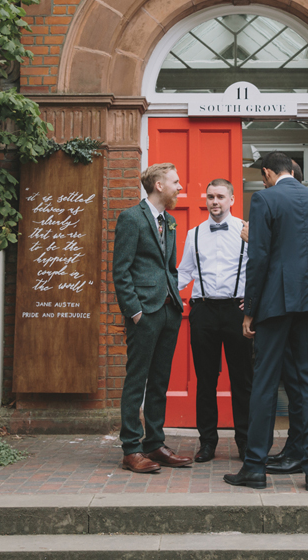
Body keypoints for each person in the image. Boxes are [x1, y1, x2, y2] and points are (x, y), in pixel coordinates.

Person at [225, 151, 308, 492]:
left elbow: (258, 259)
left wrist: (249, 310)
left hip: (275, 301)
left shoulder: (265, 199)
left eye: (264, 177)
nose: (264, 182)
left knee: (265, 381)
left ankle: (255, 467)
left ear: (269, 173)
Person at [112, 163, 194, 474]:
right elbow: (121, 270)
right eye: (175, 182)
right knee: (137, 381)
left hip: (170, 310)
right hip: (143, 313)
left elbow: (169, 267)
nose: (180, 187)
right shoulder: (131, 218)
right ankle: (131, 449)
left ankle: (154, 444)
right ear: (159, 185)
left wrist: (176, 300)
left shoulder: (170, 221)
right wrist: (134, 312)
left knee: (160, 381)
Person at [177, 178, 252, 463]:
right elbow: (184, 273)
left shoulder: (246, 231)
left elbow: (256, 268)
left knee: (243, 380)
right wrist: (161, 292)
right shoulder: (195, 233)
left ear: (232, 199)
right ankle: (207, 442)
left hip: (237, 311)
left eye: (220, 196)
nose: (215, 202)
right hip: (204, 311)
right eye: (210, 197)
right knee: (205, 380)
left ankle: (244, 441)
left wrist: (252, 304)